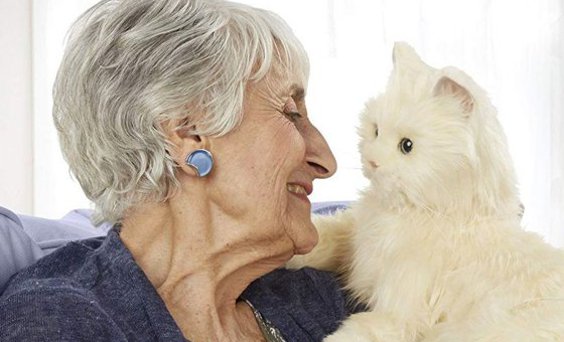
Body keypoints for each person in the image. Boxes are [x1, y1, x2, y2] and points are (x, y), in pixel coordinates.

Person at [0, 0, 358, 341]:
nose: (325, 161)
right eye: (290, 113)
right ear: (189, 133)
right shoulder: (60, 320)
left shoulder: (321, 296)